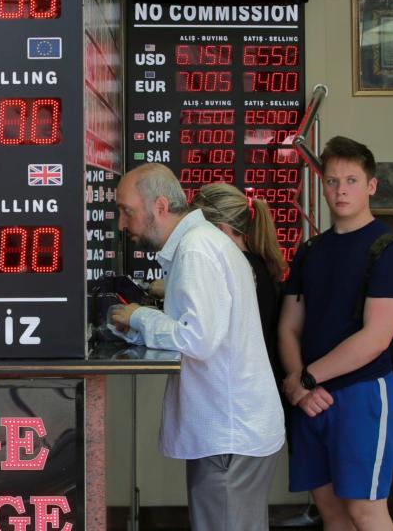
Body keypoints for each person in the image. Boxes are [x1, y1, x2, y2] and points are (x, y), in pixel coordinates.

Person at [109, 164, 284, 531]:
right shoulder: (200, 243)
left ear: (159, 206)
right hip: (230, 431)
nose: (123, 225)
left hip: (229, 433)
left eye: (127, 211)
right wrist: (134, 327)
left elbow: (197, 339)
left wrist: (140, 316)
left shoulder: (196, 250)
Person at [278, 136, 393, 531]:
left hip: (362, 394)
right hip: (309, 398)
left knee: (364, 511)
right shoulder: (311, 250)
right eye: (333, 181)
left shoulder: (389, 250)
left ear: (371, 185)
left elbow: (375, 338)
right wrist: (297, 382)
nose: (341, 190)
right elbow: (288, 325)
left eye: (352, 180)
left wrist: (305, 378)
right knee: (332, 512)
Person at [149, 182, 287, 381]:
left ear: (217, 230)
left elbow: (198, 336)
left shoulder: (244, 268)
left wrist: (141, 317)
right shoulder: (256, 264)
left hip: (240, 390)